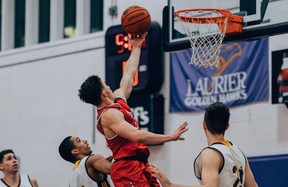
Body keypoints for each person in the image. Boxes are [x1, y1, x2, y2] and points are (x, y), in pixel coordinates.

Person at [78, 32, 189, 187]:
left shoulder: (118, 98)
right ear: (104, 93)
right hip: (127, 169)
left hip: (141, 164)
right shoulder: (108, 115)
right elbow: (137, 136)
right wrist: (169, 137)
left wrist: (136, 47)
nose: (109, 86)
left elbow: (129, 74)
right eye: (106, 85)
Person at [150, 102, 258, 187]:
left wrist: (170, 185)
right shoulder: (239, 152)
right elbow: (253, 185)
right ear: (227, 126)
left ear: (204, 125)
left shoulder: (210, 153)